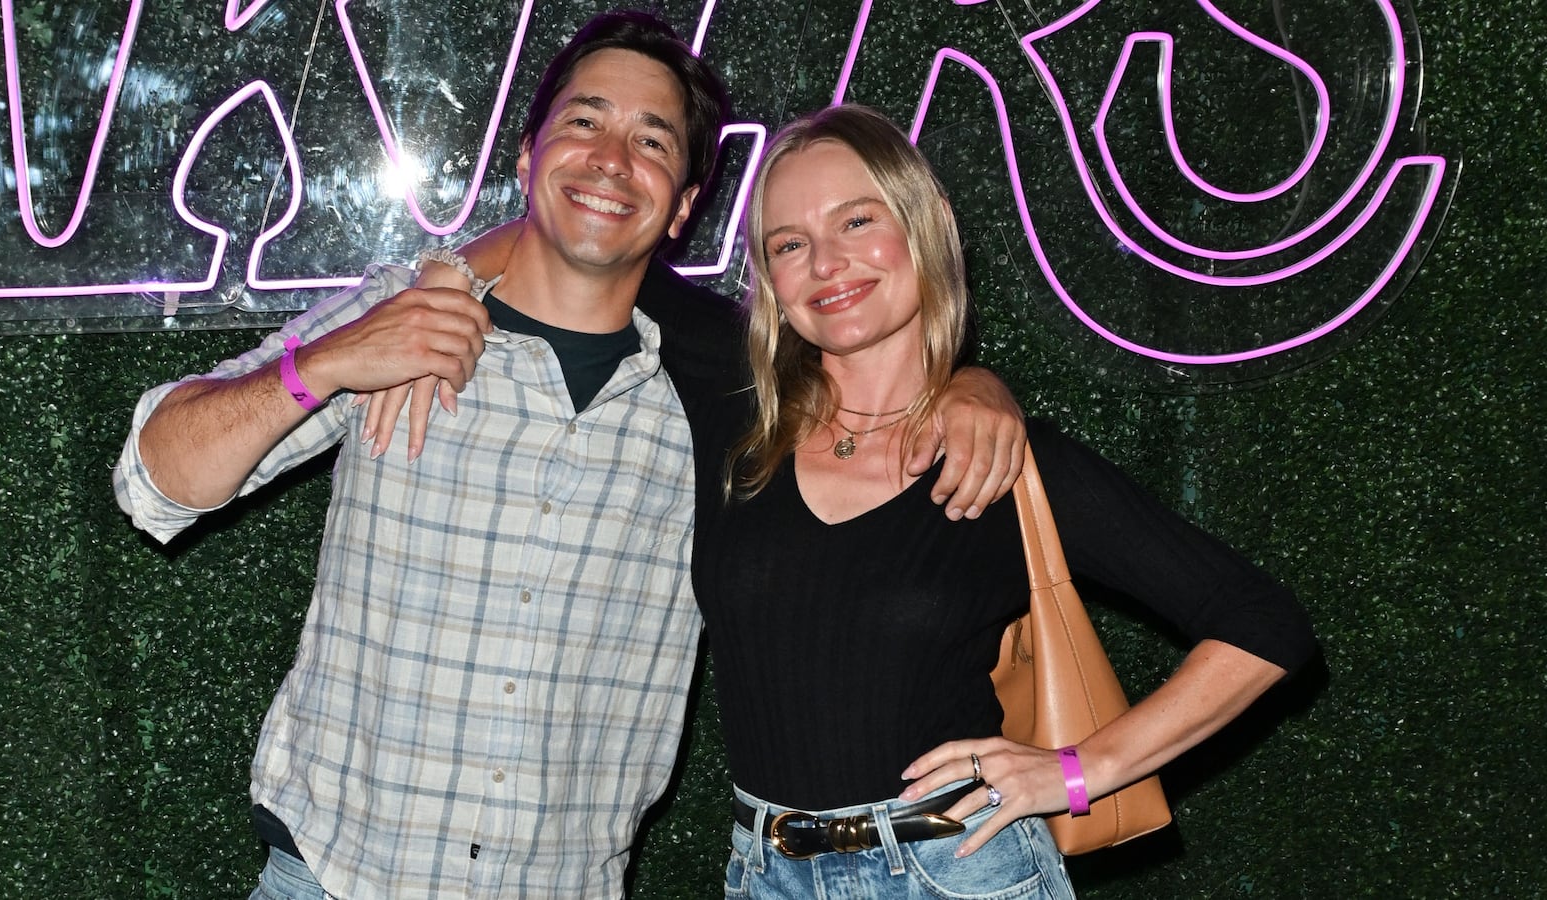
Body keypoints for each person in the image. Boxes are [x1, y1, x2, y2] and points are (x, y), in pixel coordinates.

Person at [114, 14, 1023, 900]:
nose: (612, 159)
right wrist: (323, 364)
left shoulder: (726, 394)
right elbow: (153, 484)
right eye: (585, 122)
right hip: (336, 875)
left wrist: (972, 383)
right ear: (526, 156)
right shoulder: (402, 316)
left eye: (652, 141)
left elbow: (873, 380)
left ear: (684, 206)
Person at [689, 104, 1317, 898]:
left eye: (857, 220)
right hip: (763, 873)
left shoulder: (1012, 462)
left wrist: (1081, 772)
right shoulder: (736, 433)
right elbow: (584, 274)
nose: (826, 261)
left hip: (957, 871)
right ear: (770, 280)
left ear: (929, 225)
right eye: (789, 243)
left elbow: (1264, 623)